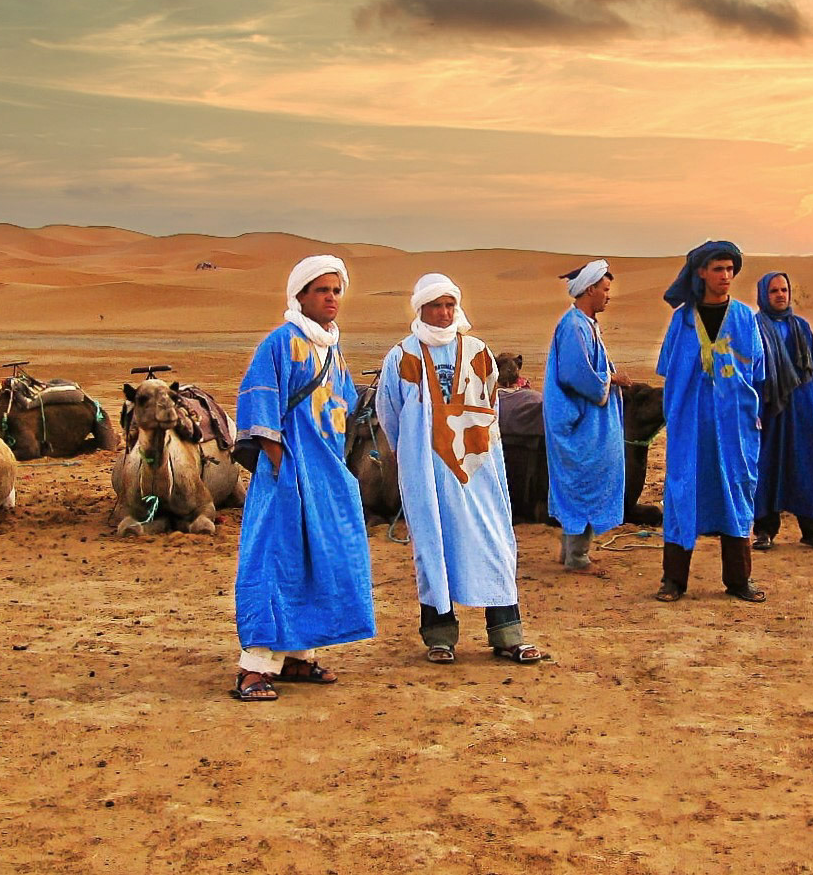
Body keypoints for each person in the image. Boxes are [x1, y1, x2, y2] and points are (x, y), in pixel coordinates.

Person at [376, 273, 544, 665]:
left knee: (493, 541)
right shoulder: (402, 356)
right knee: (434, 546)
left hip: (479, 468)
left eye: (450, 304)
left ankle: (507, 634)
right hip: (425, 470)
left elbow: (492, 407)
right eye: (436, 305)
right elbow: (390, 414)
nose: (444, 312)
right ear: (421, 308)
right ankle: (440, 636)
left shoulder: (479, 352)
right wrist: (417, 452)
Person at [230, 255, 376, 701]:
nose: (331, 298)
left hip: (327, 476)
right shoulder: (280, 342)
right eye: (321, 290)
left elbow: (344, 407)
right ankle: (254, 668)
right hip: (289, 475)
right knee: (274, 562)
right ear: (300, 296)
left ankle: (298, 656)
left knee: (322, 561)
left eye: (335, 290)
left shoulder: (331, 349)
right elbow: (259, 410)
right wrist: (282, 465)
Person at [654, 240, 767, 604]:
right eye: (718, 269)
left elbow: (758, 371)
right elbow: (667, 369)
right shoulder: (683, 319)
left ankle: (739, 579)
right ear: (701, 272)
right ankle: (673, 580)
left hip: (734, 423)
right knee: (682, 489)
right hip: (690, 423)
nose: (726, 276)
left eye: (731, 270)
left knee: (736, 489)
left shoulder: (745, 318)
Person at [543, 260, 633, 572]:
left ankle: (573, 552)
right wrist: (611, 379)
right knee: (584, 482)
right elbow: (574, 373)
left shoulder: (585, 324)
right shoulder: (574, 326)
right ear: (590, 289)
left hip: (592, 423)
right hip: (581, 425)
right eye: (605, 289)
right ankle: (577, 558)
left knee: (589, 480)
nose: (609, 296)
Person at [751, 271, 813, 552]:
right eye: (774, 290)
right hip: (768, 410)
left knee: (810, 465)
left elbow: (811, 369)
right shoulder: (754, 327)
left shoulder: (801, 328)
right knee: (767, 466)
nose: (780, 295)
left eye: (784, 290)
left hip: (801, 409)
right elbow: (749, 372)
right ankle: (764, 530)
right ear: (764, 294)